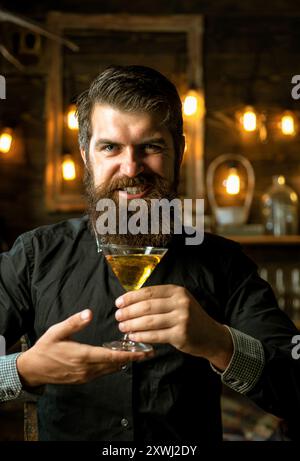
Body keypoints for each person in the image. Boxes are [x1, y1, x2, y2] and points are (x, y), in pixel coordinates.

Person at [0, 65, 299, 442]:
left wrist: (218, 342)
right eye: (110, 147)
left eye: (151, 147)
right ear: (85, 155)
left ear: (179, 152)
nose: (131, 168)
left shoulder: (224, 263)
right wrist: (24, 369)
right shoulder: (34, 256)